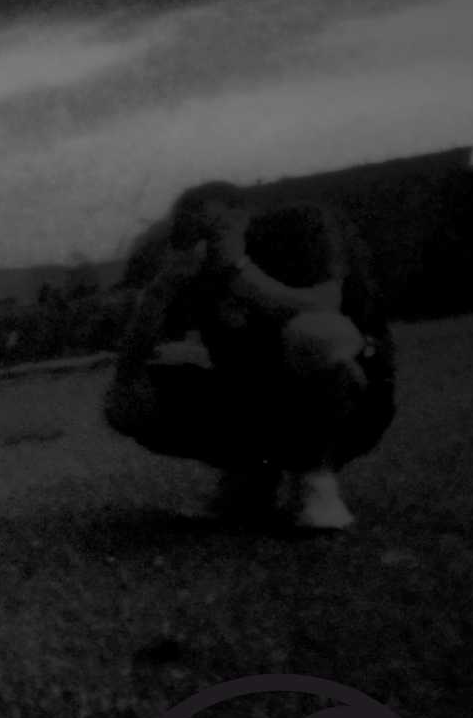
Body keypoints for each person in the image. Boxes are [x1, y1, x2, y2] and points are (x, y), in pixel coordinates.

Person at [108, 186, 394, 532]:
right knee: (130, 398)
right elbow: (130, 372)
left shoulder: (298, 229)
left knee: (315, 334)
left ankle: (315, 481)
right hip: (261, 398)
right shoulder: (195, 267)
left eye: (215, 228)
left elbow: (324, 306)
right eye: (192, 231)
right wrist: (161, 288)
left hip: (353, 399)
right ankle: (252, 477)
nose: (204, 241)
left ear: (246, 217)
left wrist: (238, 269)